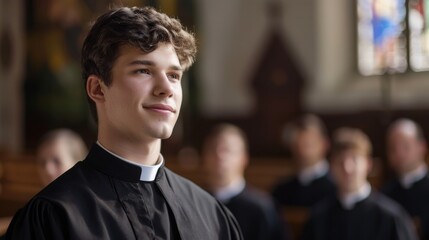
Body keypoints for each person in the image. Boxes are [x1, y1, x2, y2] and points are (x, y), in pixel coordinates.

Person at [6, 6, 242, 239]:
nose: (166, 88)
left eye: (173, 75)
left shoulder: (213, 217)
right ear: (97, 89)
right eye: (143, 71)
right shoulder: (53, 217)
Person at [301, 127, 417, 240]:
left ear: (368, 164)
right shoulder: (319, 218)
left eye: (354, 160)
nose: (347, 169)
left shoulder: (390, 217)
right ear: (331, 167)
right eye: (340, 161)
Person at [202, 124, 287, 240]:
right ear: (205, 157)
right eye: (213, 149)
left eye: (227, 150)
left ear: (244, 159)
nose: (219, 156)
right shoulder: (196, 202)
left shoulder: (262, 208)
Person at [271, 114, 336, 207]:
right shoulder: (282, 190)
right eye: (297, 144)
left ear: (325, 144)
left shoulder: (336, 187)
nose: (302, 151)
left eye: (308, 144)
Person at [382, 119, 429, 240]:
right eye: (393, 148)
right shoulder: (384, 195)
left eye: (405, 146)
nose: (399, 153)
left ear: (422, 147)